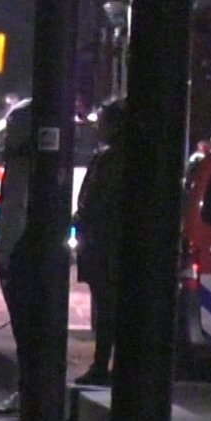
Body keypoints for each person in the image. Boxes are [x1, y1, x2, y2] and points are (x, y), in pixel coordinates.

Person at [73, 99, 126, 386]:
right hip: (106, 246)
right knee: (108, 308)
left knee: (106, 309)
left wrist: (81, 218)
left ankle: (102, 365)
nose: (97, 128)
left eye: (102, 122)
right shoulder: (113, 158)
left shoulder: (111, 160)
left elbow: (97, 201)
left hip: (105, 246)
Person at [0, 105, 35, 414]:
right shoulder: (26, 165)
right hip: (21, 252)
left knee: (25, 328)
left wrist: (7, 251)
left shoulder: (21, 168)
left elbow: (14, 212)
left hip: (19, 255)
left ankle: (28, 391)